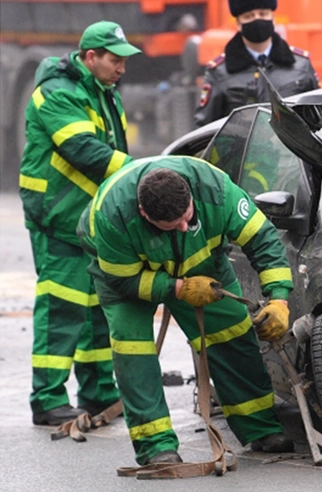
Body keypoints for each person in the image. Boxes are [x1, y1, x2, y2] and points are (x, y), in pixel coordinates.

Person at [76, 155, 294, 465]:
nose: (182, 227)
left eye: (187, 218)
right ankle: (156, 446)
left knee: (232, 331)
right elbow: (123, 281)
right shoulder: (112, 217)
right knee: (132, 346)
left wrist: (279, 300)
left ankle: (260, 427)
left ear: (190, 195)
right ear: (143, 213)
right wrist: (178, 289)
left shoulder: (216, 191)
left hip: (204, 263)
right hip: (129, 276)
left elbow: (263, 240)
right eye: (170, 226)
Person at [18, 20, 141, 426]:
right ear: (91, 57)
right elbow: (83, 151)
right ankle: (48, 399)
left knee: (95, 311)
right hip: (58, 217)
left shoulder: (105, 93)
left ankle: (98, 392)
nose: (122, 67)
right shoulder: (57, 93)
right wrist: (140, 172)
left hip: (90, 220)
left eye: (125, 59)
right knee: (62, 310)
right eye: (114, 59)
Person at [193, 0, 319, 127]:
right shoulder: (220, 72)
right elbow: (204, 127)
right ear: (238, 23)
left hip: (291, 147)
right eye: (249, 16)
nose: (257, 20)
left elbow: (320, 116)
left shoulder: (301, 65)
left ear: (273, 18)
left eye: (263, 14)